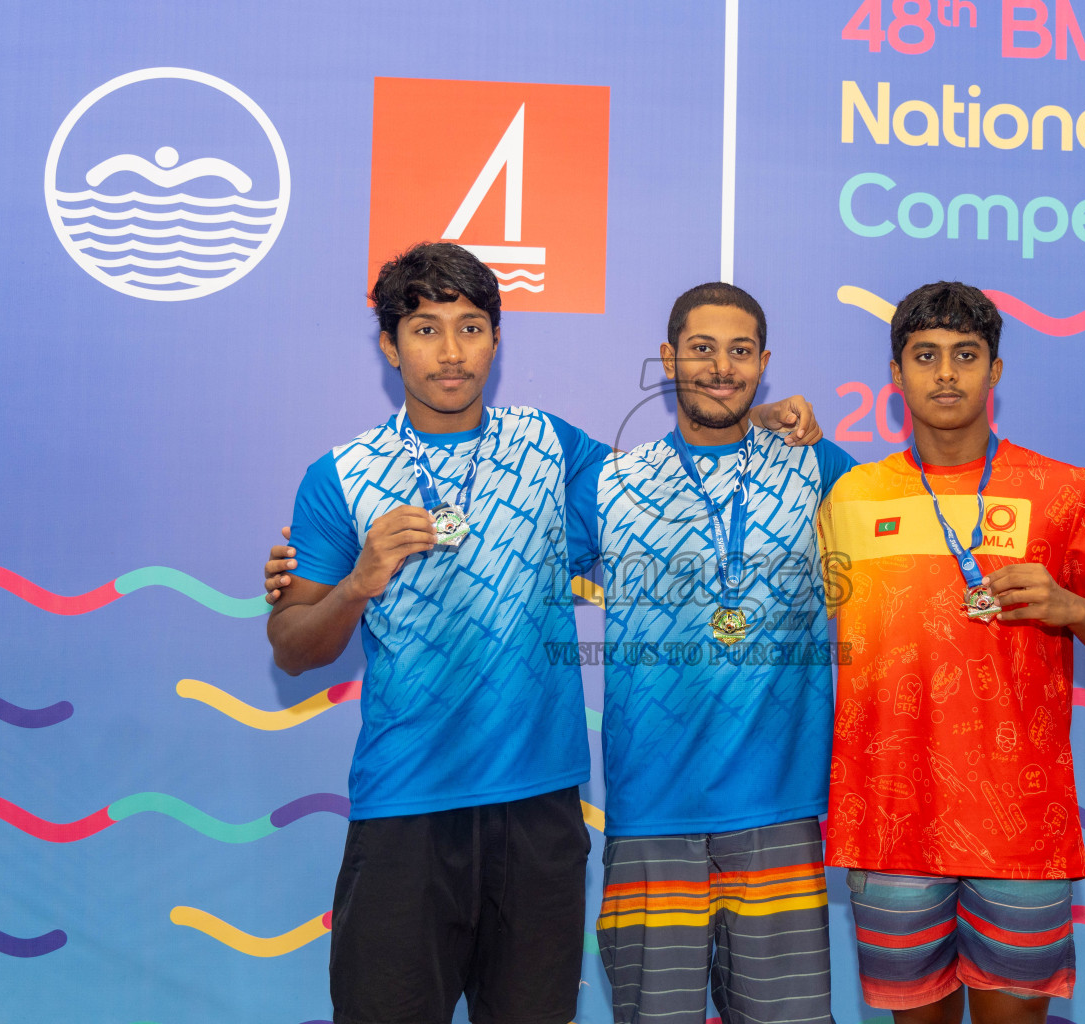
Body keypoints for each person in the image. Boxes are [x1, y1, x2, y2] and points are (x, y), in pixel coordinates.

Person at [263, 244, 818, 1024]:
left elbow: (670, 475)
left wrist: (748, 416)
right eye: (425, 330)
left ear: (496, 337)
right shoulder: (342, 474)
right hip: (404, 813)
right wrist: (357, 582)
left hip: (541, 815)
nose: (452, 353)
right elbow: (293, 645)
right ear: (389, 346)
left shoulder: (552, 447)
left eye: (470, 327)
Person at [818, 281, 1085, 1024]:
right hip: (890, 823)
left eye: (966, 356)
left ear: (995, 372)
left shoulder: (1064, 491)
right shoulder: (848, 498)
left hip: (1020, 829)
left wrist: (1072, 608)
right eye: (925, 355)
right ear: (896, 374)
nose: (946, 374)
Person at [564, 283, 855, 1024]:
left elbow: (917, 538)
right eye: (701, 349)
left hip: (778, 810)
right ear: (668, 359)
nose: (720, 368)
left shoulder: (815, 468)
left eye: (739, 351)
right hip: (651, 813)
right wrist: (325, 575)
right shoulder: (613, 482)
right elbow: (509, 569)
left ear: (764, 364)